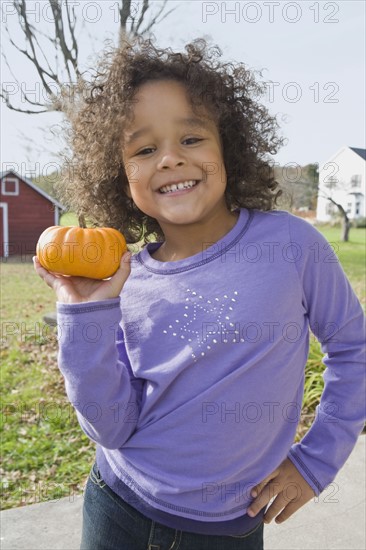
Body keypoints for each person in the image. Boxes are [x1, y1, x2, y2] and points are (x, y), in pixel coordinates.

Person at [33, 38, 365, 550]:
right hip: (118, 504)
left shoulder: (290, 245)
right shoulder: (124, 281)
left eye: (191, 138)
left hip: (229, 529)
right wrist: (84, 314)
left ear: (227, 147)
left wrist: (315, 461)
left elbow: (354, 348)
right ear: (122, 181)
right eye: (144, 149)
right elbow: (111, 428)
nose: (169, 159)